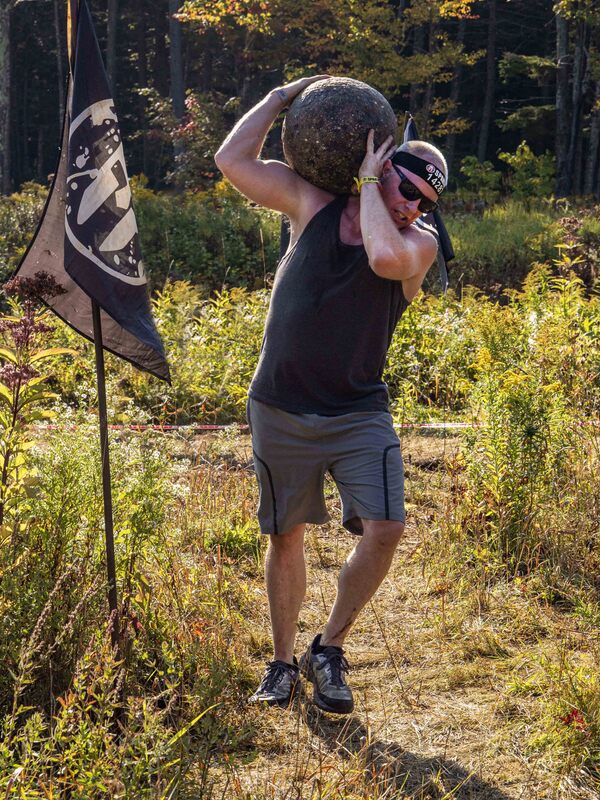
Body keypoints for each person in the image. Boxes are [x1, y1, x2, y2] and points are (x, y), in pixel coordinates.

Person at [214, 75, 447, 715]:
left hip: (357, 409)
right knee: (284, 535)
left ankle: (329, 647)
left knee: (387, 526)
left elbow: (380, 256)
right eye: (408, 190)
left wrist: (375, 186)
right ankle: (283, 663)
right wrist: (278, 99)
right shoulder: (310, 206)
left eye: (423, 203)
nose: (412, 208)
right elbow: (230, 161)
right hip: (280, 402)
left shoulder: (417, 245)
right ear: (382, 165)